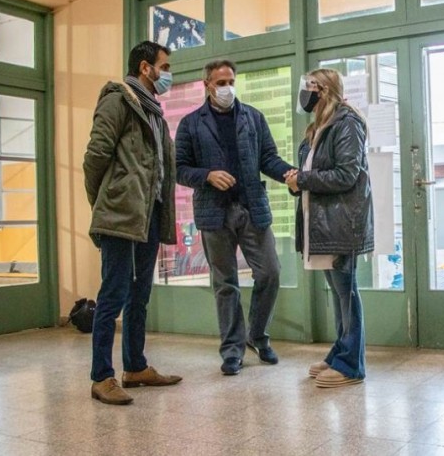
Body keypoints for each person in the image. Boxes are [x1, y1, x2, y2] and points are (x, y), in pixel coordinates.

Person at [175, 59, 296, 376]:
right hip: (214, 212)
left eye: (231, 81)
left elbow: (268, 158)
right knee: (225, 284)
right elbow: (179, 169)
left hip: (252, 208)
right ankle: (232, 350)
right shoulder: (191, 124)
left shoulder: (253, 118)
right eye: (221, 82)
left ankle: (258, 336)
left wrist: (289, 174)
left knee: (270, 272)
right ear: (207, 86)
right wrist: (207, 175)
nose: (227, 87)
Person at [83, 41, 182, 405]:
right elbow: (95, 158)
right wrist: (105, 204)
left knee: (140, 295)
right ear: (145, 67)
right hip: (121, 215)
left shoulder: (153, 109)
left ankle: (135, 366)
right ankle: (101, 376)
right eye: (165, 65)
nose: (169, 73)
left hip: (148, 214)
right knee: (114, 293)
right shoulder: (118, 99)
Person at [285, 69, 374, 388]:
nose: (304, 95)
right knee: (338, 296)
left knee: (346, 294)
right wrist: (296, 182)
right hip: (322, 224)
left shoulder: (346, 122)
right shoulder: (318, 127)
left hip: (341, 223)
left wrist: (304, 180)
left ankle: (352, 366)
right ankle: (340, 352)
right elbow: (313, 172)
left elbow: (347, 174)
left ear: (322, 91)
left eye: (309, 88)